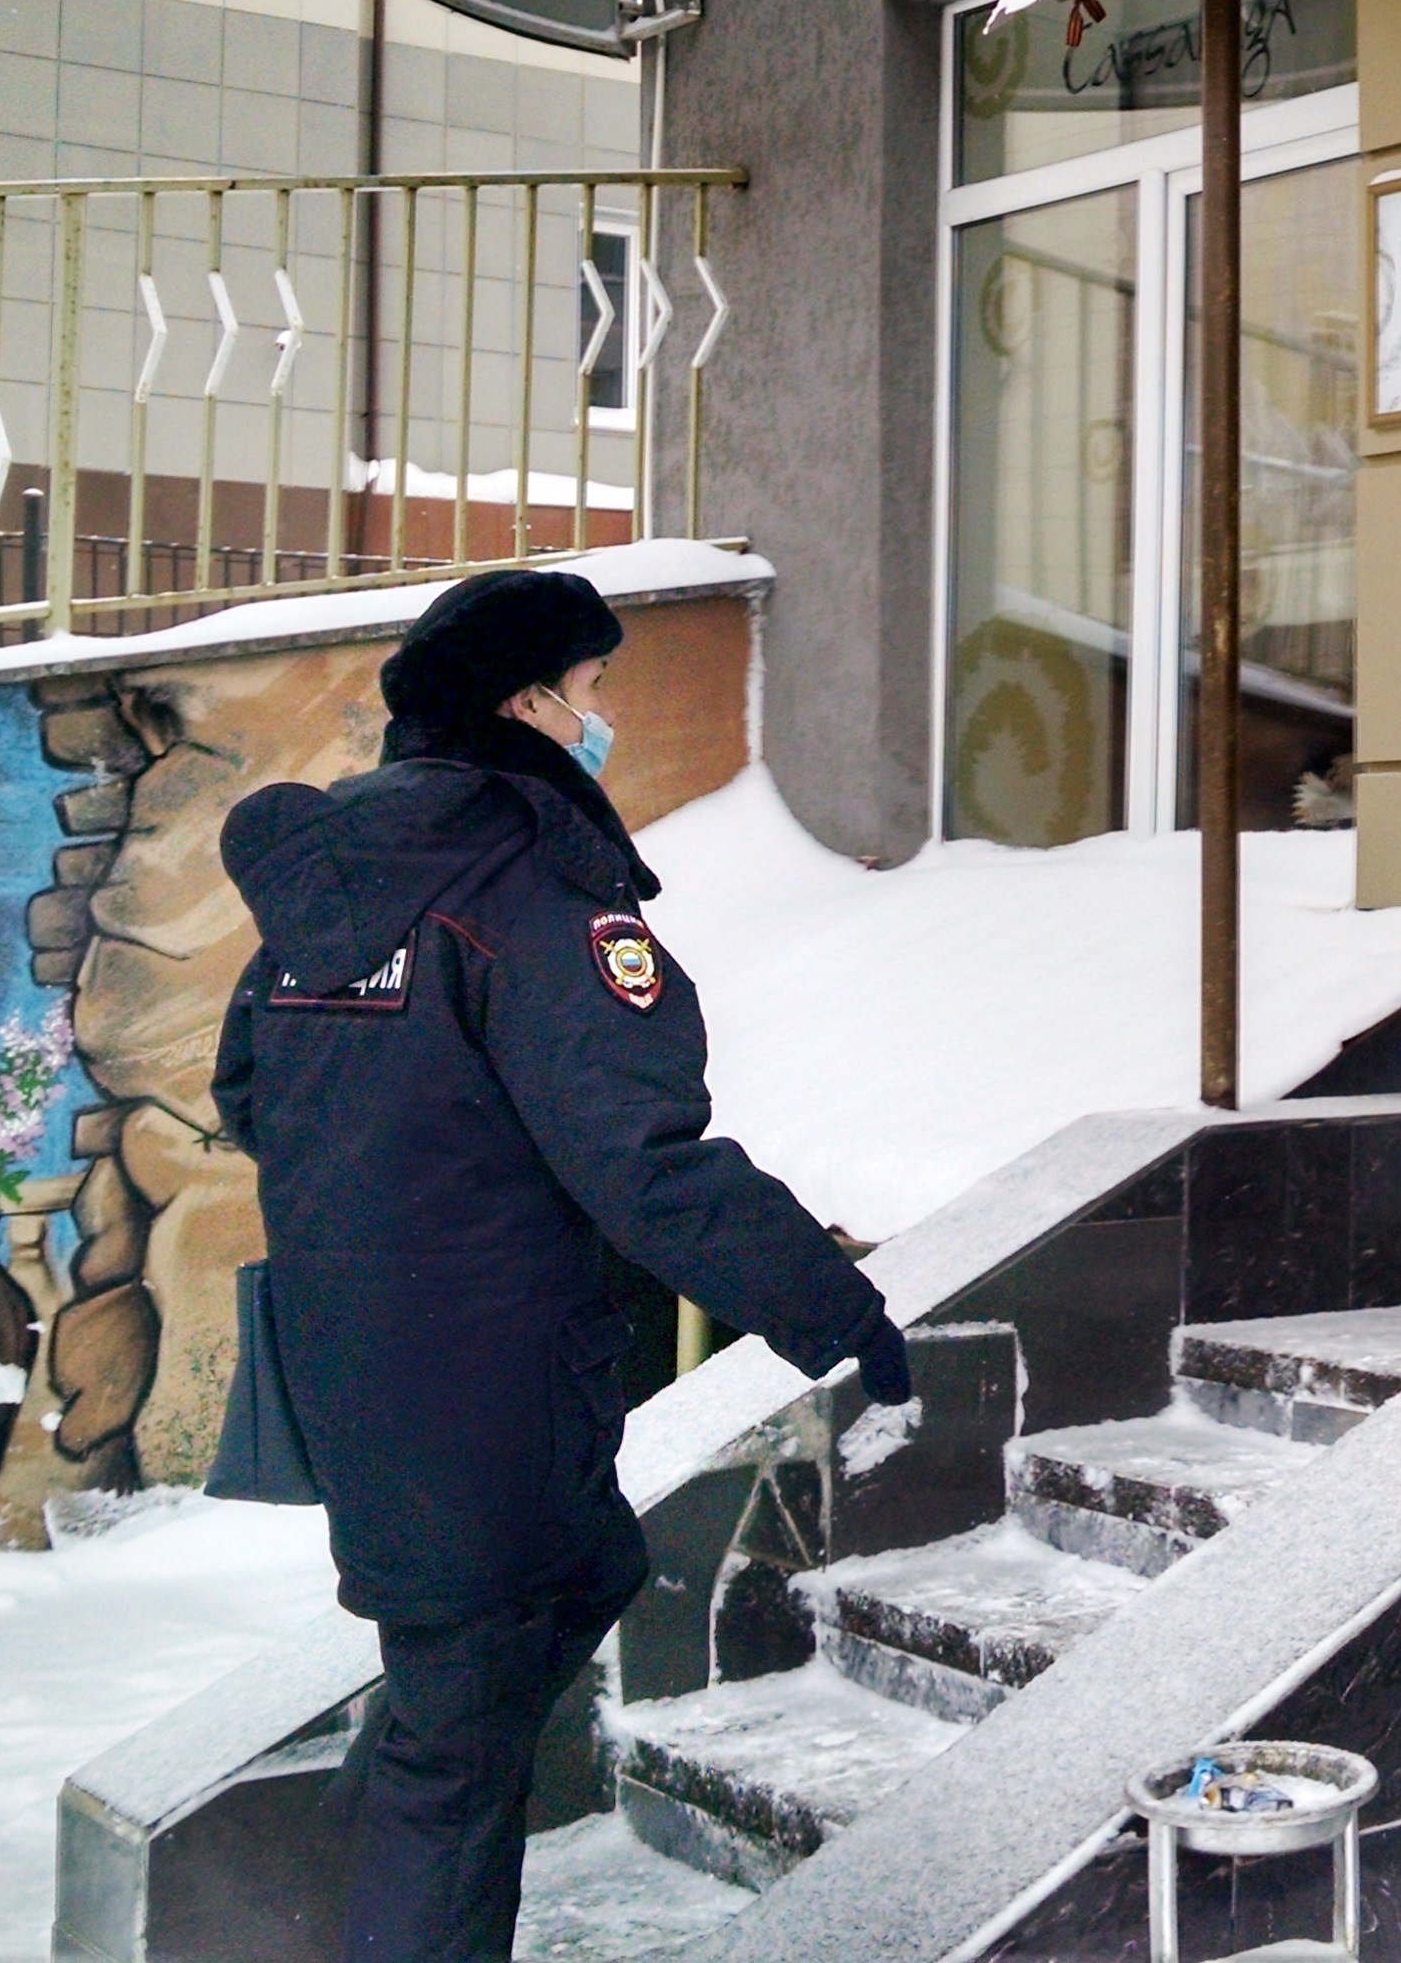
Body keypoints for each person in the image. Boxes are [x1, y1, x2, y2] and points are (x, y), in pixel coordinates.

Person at [211, 567, 910, 1963]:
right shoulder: (532, 887)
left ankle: (368, 1870)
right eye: (593, 694)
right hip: (492, 1388)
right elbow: (643, 1161)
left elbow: (247, 1091)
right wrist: (836, 1312)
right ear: (527, 703)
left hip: (357, 1366)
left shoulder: (340, 873)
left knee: (575, 1577)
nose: (605, 723)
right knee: (454, 1756)